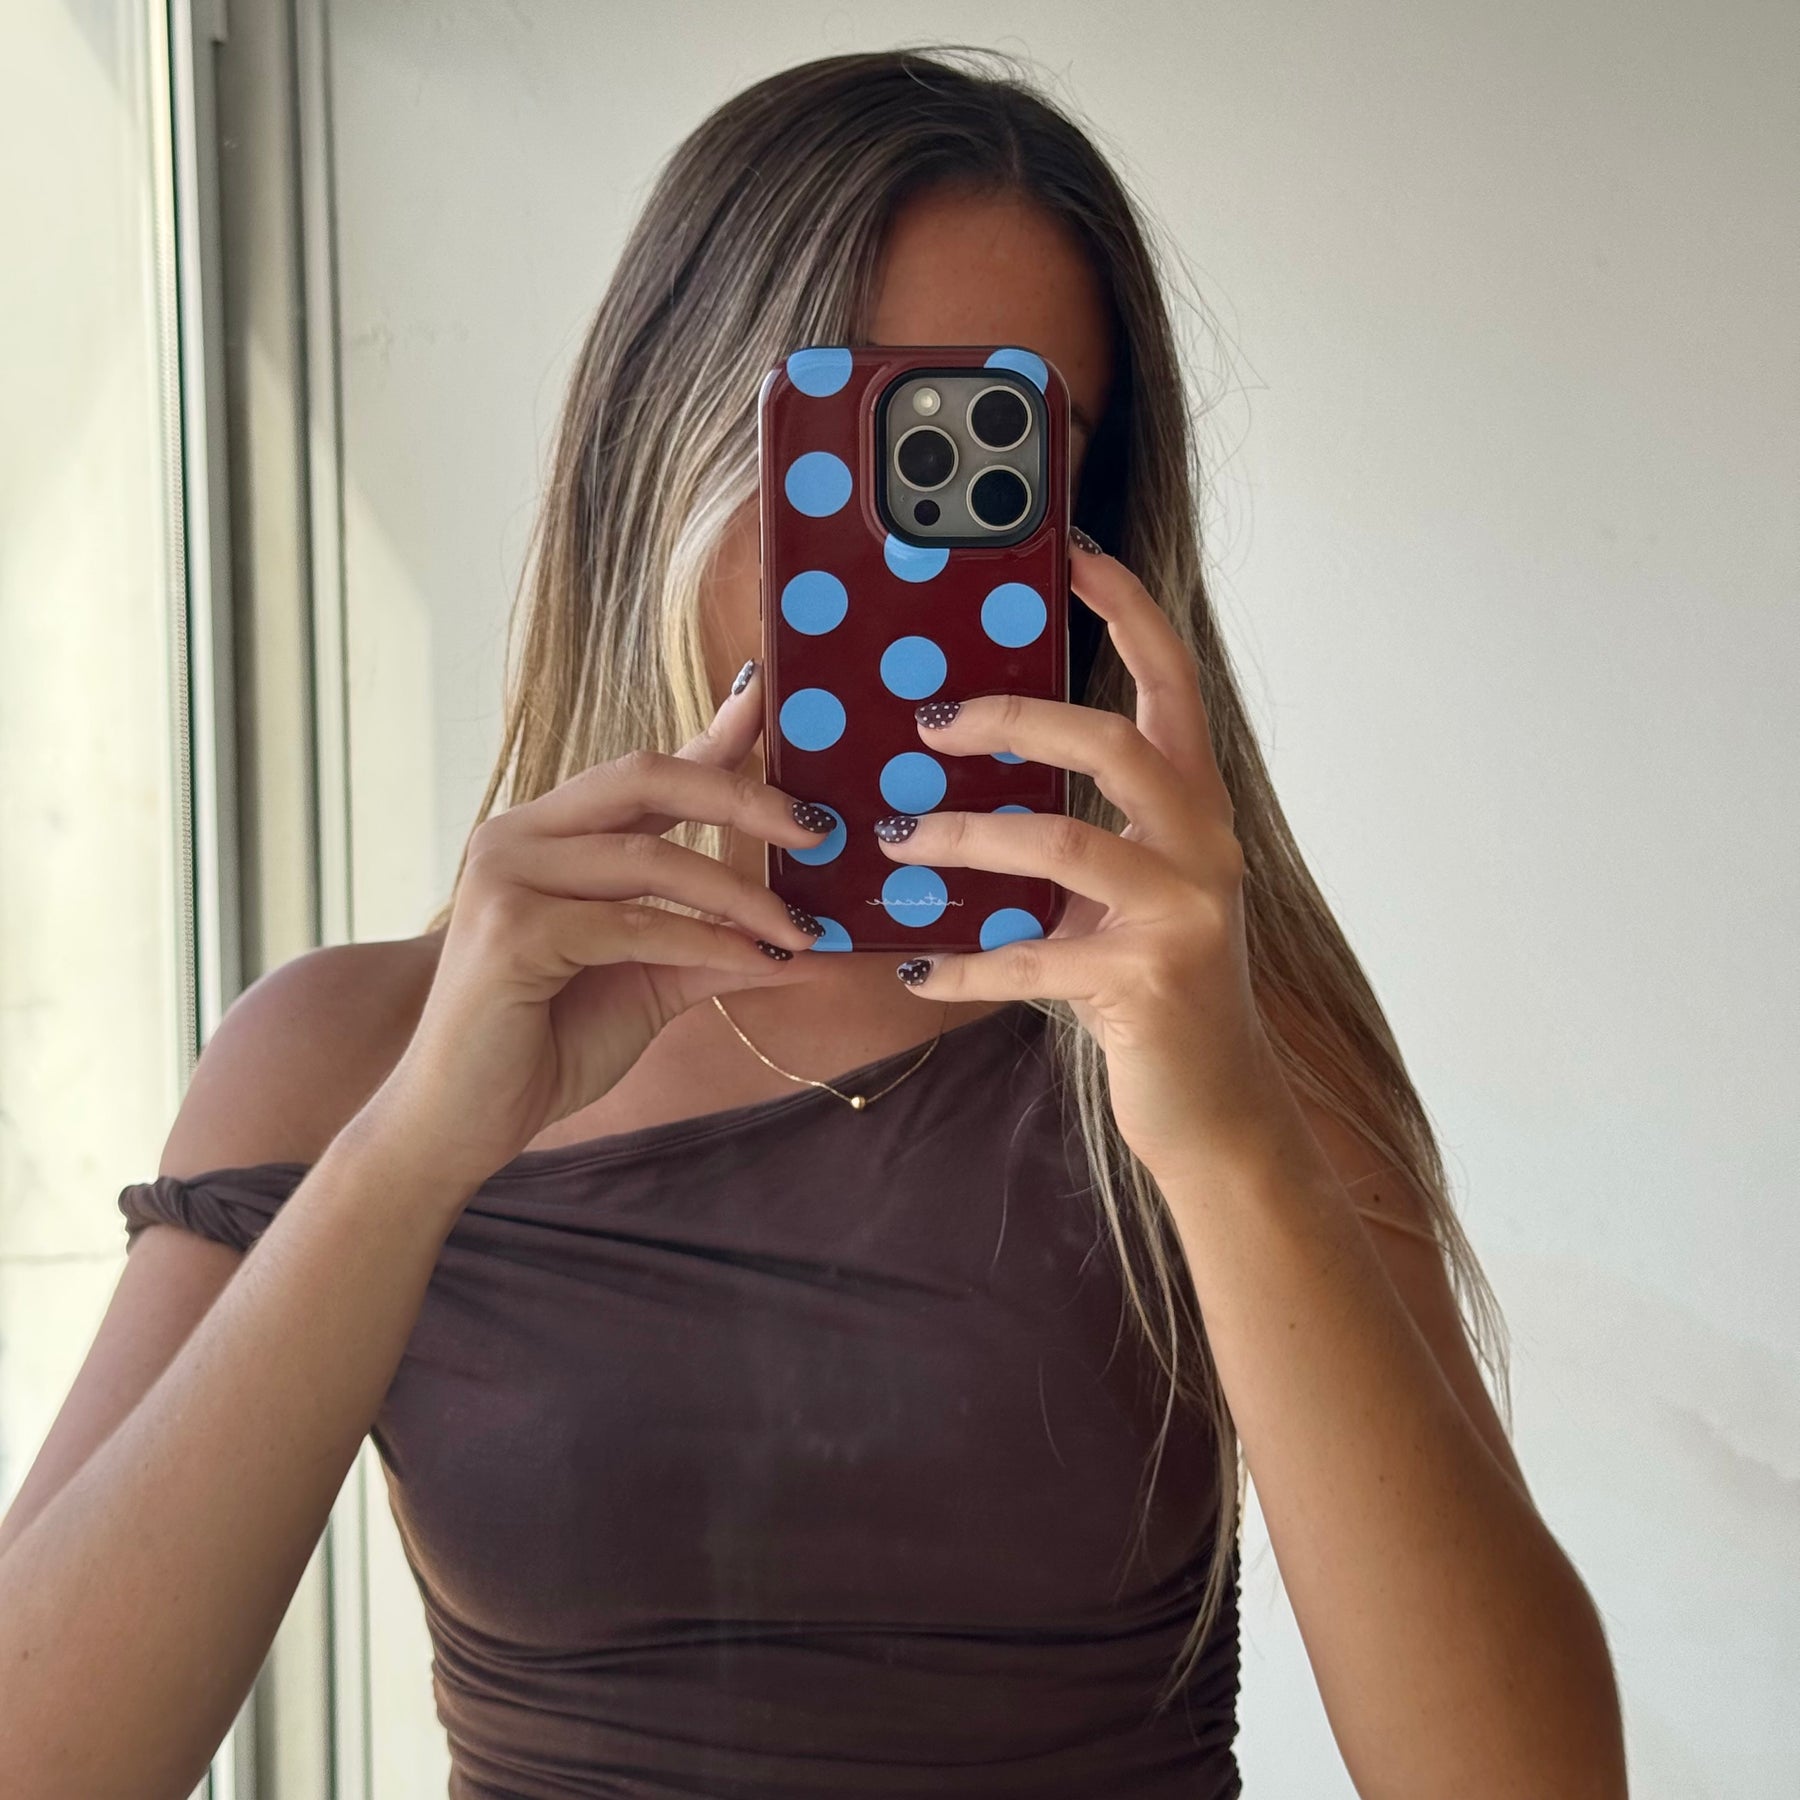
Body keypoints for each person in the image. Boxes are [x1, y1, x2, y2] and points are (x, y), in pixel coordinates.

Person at [0, 47, 1626, 1800]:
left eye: (999, 470)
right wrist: (418, 1146)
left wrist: (1226, 1142)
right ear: (666, 440)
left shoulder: (1214, 1040)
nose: (913, 560)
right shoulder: (347, 1055)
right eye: (847, 447)